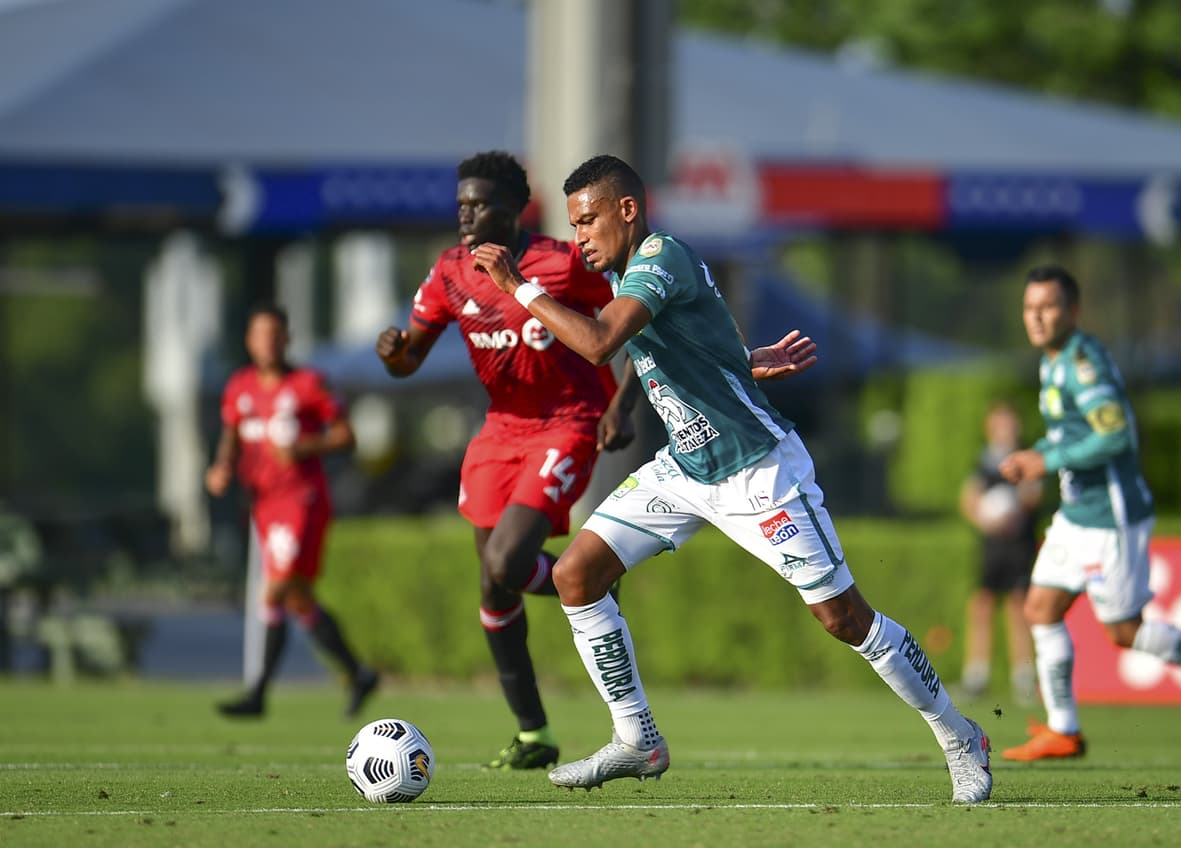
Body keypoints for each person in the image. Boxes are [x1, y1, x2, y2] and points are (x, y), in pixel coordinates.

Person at [471, 154, 993, 804]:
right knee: (577, 575)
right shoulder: (630, 272)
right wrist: (737, 365)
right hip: (683, 472)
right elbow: (686, 342)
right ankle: (637, 737)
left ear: (627, 210)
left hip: (757, 471)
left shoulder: (661, 256)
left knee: (843, 617)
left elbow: (602, 342)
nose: (579, 236)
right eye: (572, 224)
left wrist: (517, 284)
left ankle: (959, 733)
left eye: (587, 220)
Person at [376, 151, 640, 770]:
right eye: (462, 204)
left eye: (481, 205)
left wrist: (623, 406)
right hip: (499, 432)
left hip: (568, 424)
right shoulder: (448, 272)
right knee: (495, 585)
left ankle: (589, 581)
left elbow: (638, 328)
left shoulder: (563, 262)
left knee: (505, 560)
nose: (467, 216)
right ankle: (533, 732)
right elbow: (408, 359)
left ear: (514, 208)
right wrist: (393, 353)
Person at [998, 264, 1181, 760]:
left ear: (1073, 311)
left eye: (1048, 307)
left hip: (1113, 520)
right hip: (1077, 517)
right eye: (1029, 308)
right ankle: (1064, 729)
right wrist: (1036, 454)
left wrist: (1047, 460)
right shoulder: (1052, 361)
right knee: (1040, 608)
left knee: (1125, 633)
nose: (1037, 317)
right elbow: (1071, 436)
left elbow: (1116, 434)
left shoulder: (1085, 365)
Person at [207, 304, 379, 719]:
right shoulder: (240, 387)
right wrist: (223, 466)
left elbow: (345, 435)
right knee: (300, 601)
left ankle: (257, 695)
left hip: (301, 500)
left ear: (287, 339)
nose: (267, 342)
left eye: (275, 334)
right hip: (263, 503)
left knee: (277, 589)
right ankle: (358, 674)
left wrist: (302, 447)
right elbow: (231, 434)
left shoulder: (308, 384)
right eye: (259, 334)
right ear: (249, 341)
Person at [957, 401, 1039, 703]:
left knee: (1020, 607)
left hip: (1019, 544)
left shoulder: (1027, 458)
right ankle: (976, 676)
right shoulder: (983, 460)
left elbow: (1033, 494)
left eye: (1008, 422)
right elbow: (969, 498)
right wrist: (984, 517)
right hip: (992, 545)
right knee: (982, 604)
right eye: (998, 423)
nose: (1004, 428)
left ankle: (1024, 678)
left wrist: (1012, 510)